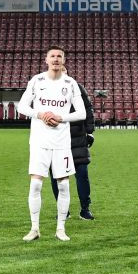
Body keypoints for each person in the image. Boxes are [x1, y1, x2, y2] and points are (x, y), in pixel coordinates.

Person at [17, 47, 87, 242]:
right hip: (39, 141)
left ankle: (61, 229)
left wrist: (60, 117)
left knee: (63, 185)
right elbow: (21, 106)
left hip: (61, 143)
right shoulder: (36, 81)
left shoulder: (70, 83)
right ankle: (34, 228)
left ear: (63, 60)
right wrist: (40, 114)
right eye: (52, 56)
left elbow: (82, 113)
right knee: (35, 185)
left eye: (59, 56)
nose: (56, 59)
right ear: (46, 60)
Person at [49, 75, 95, 220]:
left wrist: (89, 131)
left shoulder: (77, 87)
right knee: (58, 177)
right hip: (55, 139)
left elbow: (88, 109)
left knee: (82, 175)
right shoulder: (47, 89)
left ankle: (85, 209)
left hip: (78, 139)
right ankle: (63, 210)